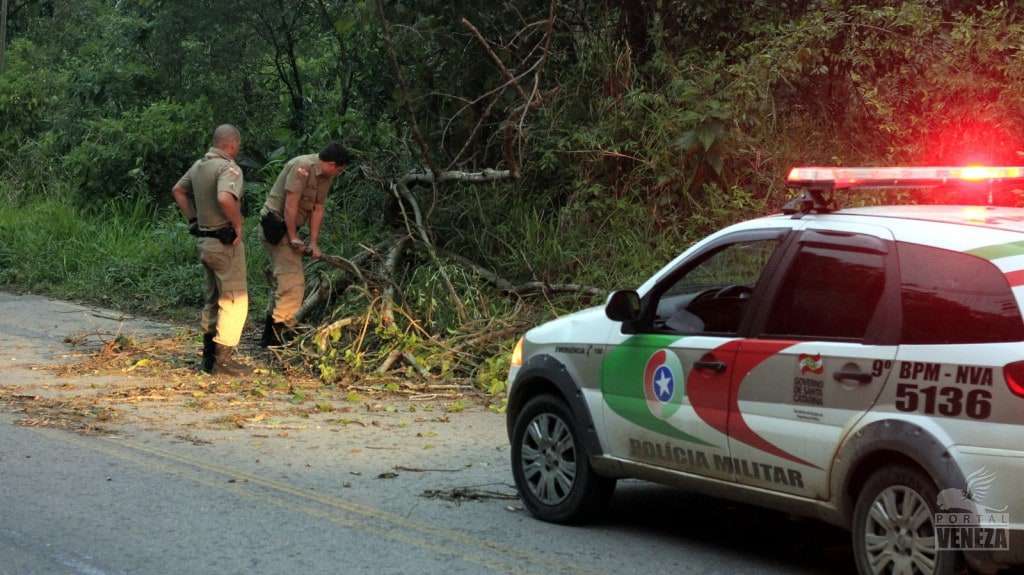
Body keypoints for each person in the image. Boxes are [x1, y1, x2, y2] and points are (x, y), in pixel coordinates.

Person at [171, 124, 251, 375]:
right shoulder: (229, 168)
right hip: (224, 242)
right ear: (232, 145)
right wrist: (237, 225)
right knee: (235, 300)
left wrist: (193, 219)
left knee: (213, 299)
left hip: (205, 241)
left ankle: (208, 359)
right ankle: (223, 362)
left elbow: (178, 190)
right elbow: (225, 198)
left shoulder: (199, 166)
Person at [259, 142, 352, 347]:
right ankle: (280, 338)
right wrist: (293, 237)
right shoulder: (302, 167)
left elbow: (318, 208)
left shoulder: (325, 177)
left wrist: (314, 242)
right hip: (276, 226)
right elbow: (291, 204)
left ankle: (269, 336)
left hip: (291, 228)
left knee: (282, 282)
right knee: (292, 283)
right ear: (331, 164)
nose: (339, 173)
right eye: (340, 169)